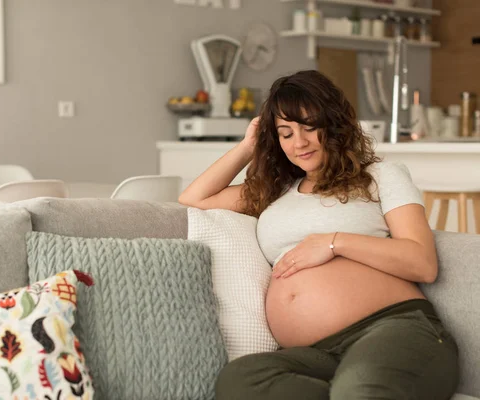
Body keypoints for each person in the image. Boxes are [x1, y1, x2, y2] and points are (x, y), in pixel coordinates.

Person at [178, 70, 459, 399]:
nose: (299, 143)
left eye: (309, 126)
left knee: (359, 389)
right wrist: (247, 146)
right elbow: (193, 200)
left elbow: (422, 262)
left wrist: (334, 242)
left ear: (334, 123)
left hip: (392, 328)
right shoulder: (276, 188)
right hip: (318, 355)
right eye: (285, 133)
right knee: (242, 379)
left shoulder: (380, 176)